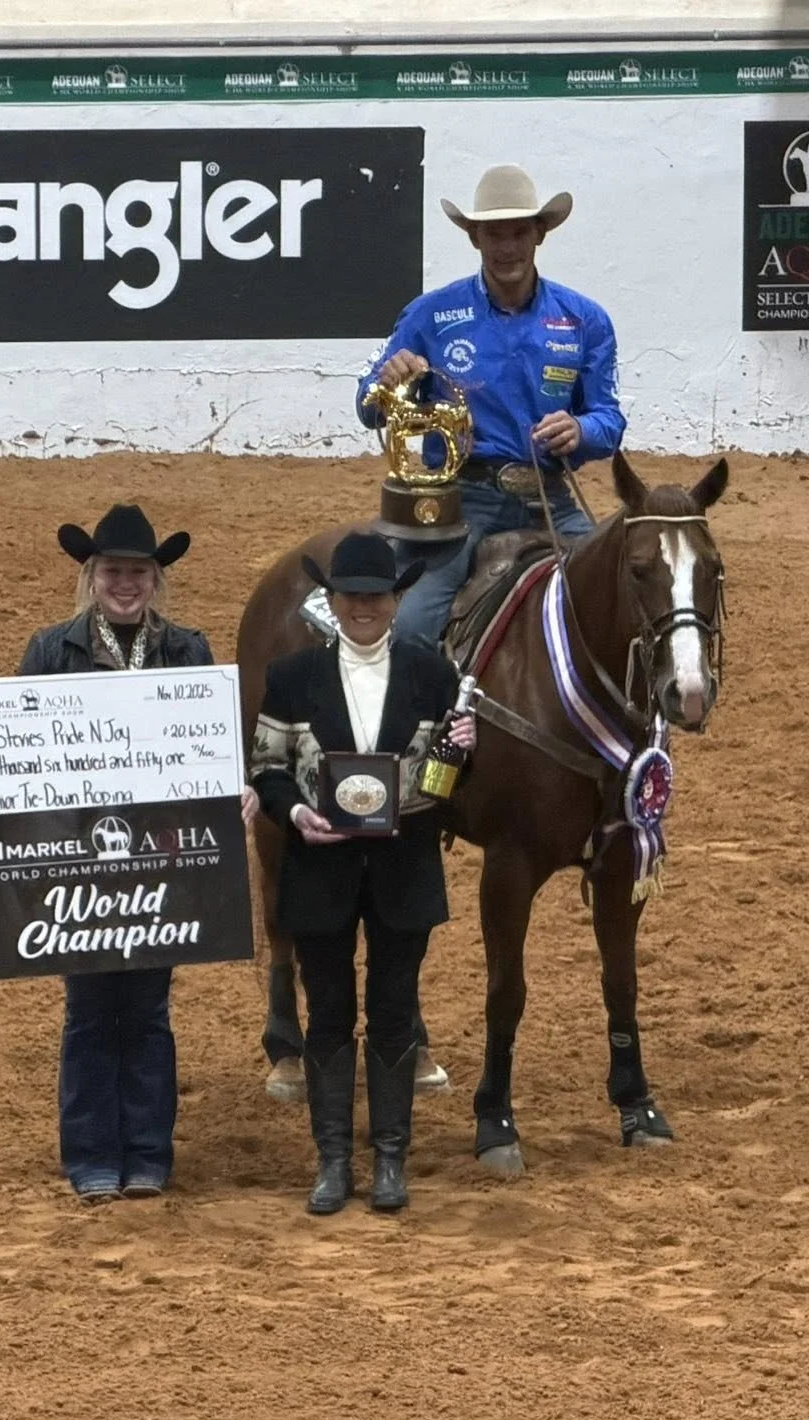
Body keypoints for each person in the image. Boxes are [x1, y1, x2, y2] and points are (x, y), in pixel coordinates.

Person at [0, 503, 257, 1204]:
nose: (125, 584)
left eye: (137, 572)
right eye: (113, 571)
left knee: (146, 1008)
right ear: (92, 577)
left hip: (162, 862)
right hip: (72, 859)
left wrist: (240, 791)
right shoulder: (49, 651)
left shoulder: (188, 653)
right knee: (88, 1009)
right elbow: (11, 755)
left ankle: (146, 1153)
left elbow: (214, 752)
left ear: (155, 579)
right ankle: (90, 1155)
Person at [249, 534, 475, 1214]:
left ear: (397, 600)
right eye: (352, 596)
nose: (364, 607)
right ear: (333, 601)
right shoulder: (292, 678)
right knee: (327, 1016)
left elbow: (444, 782)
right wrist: (294, 816)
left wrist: (462, 754)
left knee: (395, 1011)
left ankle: (390, 1160)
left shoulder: (433, 674)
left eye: (376, 596)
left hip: (403, 862)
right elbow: (267, 767)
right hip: (321, 864)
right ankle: (332, 1160)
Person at [356, 163, 627, 649]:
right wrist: (388, 380)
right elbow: (368, 405)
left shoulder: (585, 320)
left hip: (550, 498)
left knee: (618, 596)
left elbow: (608, 418)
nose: (507, 248)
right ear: (474, 239)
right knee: (414, 624)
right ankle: (417, 722)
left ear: (539, 234)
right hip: (461, 500)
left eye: (519, 232)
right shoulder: (431, 315)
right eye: (493, 234)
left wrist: (581, 431)